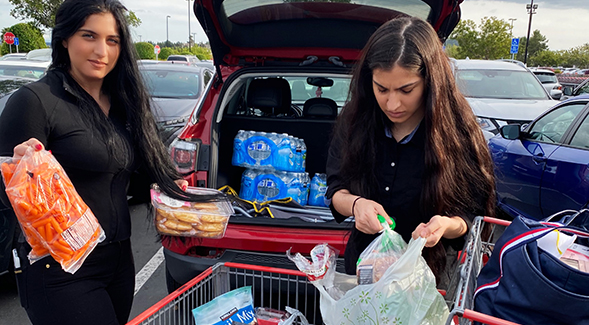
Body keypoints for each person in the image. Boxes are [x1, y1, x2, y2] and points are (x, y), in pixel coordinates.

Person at [0, 1, 221, 324]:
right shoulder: (35, 102)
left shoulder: (122, 104)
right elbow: (10, 195)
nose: (101, 50)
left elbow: (124, 178)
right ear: (64, 39)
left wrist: (167, 189)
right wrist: (18, 171)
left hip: (118, 261)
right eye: (89, 36)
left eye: (112, 40)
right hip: (61, 267)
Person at [325, 16, 496, 282]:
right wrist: (356, 204)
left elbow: (472, 217)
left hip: (429, 276)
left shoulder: (458, 132)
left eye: (406, 90)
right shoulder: (356, 121)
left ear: (431, 82)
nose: (393, 103)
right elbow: (336, 189)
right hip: (365, 266)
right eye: (382, 89)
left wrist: (445, 225)